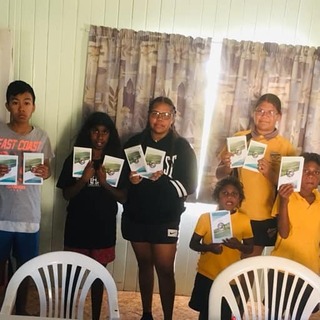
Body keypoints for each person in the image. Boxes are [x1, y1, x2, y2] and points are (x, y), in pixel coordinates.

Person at [121, 96, 198, 320]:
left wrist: (164, 180)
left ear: (173, 118)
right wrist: (130, 180)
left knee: (164, 269)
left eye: (166, 115)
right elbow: (120, 179)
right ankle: (146, 313)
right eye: (155, 113)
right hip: (137, 216)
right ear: (148, 115)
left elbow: (190, 186)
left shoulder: (182, 147)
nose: (160, 119)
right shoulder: (134, 143)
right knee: (144, 264)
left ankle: (168, 316)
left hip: (166, 217)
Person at [56, 112, 126, 320]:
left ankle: (95, 316)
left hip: (103, 227)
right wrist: (83, 179)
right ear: (88, 133)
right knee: (72, 277)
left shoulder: (116, 161)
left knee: (98, 278)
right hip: (77, 226)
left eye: (105, 132)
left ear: (110, 135)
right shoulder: (76, 159)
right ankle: (67, 314)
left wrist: (104, 183)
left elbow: (123, 197)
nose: (100, 136)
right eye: (95, 131)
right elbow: (66, 194)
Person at [216, 93, 296, 258]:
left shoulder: (285, 147)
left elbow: (289, 187)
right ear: (253, 113)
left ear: (278, 116)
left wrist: (270, 174)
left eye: (270, 112)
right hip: (232, 211)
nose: (264, 116)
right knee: (221, 261)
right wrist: (227, 166)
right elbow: (219, 175)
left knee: (247, 267)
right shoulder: (240, 138)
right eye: (260, 111)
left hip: (262, 215)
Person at [0, 80, 54, 314]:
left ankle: (20, 311)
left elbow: (48, 169)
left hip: (28, 217)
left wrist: (45, 171)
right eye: (15, 102)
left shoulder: (42, 136)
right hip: (1, 215)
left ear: (34, 107)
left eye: (26, 102)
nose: (21, 108)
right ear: (7, 106)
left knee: (25, 268)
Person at [188, 176, 253, 320]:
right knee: (205, 313)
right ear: (217, 196)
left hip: (230, 278)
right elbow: (193, 244)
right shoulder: (206, 218)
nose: (229, 196)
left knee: (224, 314)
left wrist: (238, 245)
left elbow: (250, 248)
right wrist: (209, 248)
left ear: (239, 199)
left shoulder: (244, 220)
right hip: (206, 274)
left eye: (234, 194)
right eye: (225, 193)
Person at [268, 152, 320, 318]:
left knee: (300, 315)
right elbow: (283, 233)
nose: (311, 175)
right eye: (306, 171)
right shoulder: (286, 196)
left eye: (316, 172)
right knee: (274, 313)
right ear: (297, 172)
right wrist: (284, 201)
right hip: (281, 269)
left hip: (309, 270)